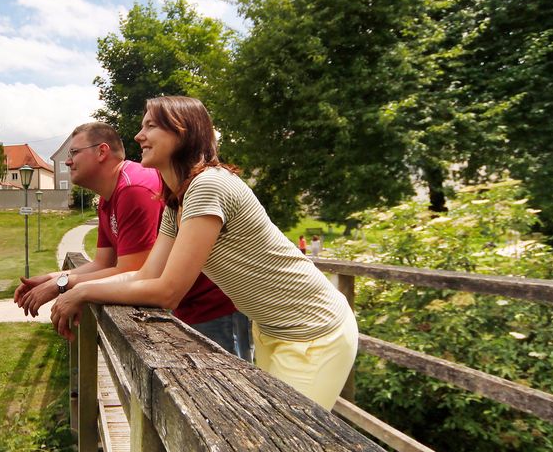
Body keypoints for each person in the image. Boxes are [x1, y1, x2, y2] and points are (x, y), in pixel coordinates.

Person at [51, 97, 357, 410]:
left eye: (150, 126)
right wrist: (79, 289)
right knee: (264, 433)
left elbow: (168, 292)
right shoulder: (176, 200)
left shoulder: (209, 185)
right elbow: (146, 275)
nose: (138, 136)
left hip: (315, 333)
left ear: (182, 132)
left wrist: (83, 290)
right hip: (271, 331)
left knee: (288, 443)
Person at [14, 121, 251, 359]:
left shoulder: (134, 188)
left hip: (214, 306)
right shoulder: (109, 197)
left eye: (74, 152)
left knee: (228, 388)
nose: (67, 161)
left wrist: (66, 285)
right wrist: (53, 279)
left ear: (101, 152)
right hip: (185, 303)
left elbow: (133, 269)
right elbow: (103, 264)